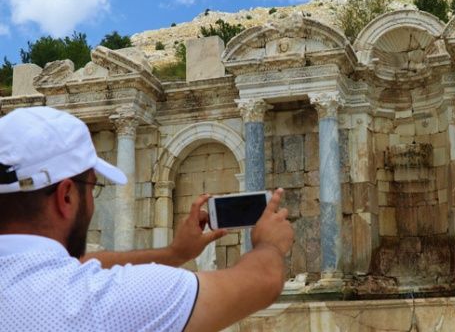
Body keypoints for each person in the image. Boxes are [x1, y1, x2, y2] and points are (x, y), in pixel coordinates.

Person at [0, 106, 294, 331]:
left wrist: (173, 253)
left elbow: (87, 264)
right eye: (92, 187)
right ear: (66, 197)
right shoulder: (107, 303)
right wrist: (269, 244)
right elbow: (262, 281)